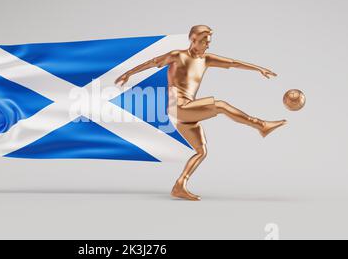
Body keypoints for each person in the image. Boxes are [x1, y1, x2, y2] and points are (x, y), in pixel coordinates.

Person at [115, 25, 286, 201]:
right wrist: (128, 73)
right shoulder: (178, 55)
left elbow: (233, 63)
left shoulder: (206, 59)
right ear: (193, 39)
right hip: (178, 107)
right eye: (204, 41)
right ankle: (260, 125)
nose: (207, 45)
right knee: (220, 105)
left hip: (185, 113)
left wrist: (258, 68)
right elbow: (152, 62)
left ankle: (179, 185)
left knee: (201, 151)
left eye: (209, 42)